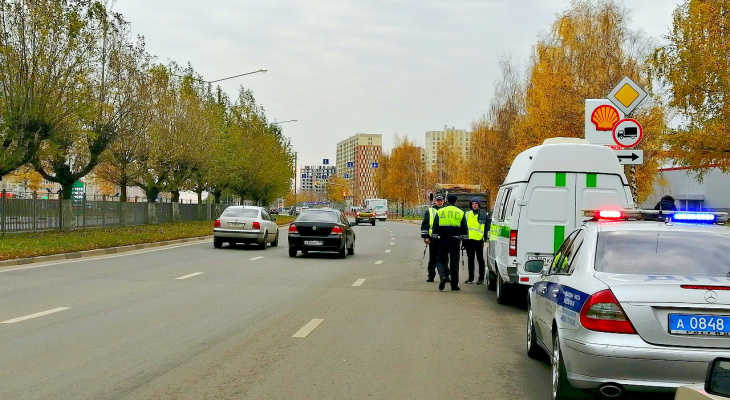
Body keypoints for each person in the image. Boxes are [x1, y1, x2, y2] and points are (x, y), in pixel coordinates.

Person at [432, 194, 468, 291]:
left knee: (441, 260)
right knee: (454, 263)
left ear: (446, 201)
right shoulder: (460, 212)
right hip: (455, 240)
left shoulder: (440, 211)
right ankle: (454, 285)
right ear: (456, 201)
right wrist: (464, 241)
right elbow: (464, 228)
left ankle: (443, 276)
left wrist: (434, 239)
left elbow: (435, 227)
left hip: (442, 240)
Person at [420, 195, 445, 282]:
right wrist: (426, 237)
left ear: (443, 201)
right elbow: (425, 224)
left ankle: (445, 276)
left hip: (443, 238)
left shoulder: (445, 211)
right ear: (435, 201)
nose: (439, 202)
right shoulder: (430, 211)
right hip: (433, 238)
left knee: (444, 258)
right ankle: (431, 275)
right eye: (438, 200)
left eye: (441, 200)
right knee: (433, 258)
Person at [463, 197, 488, 285]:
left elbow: (487, 225)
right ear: (471, 205)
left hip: (478, 239)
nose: (474, 205)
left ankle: (481, 278)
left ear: (479, 205)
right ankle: (471, 278)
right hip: (469, 240)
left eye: (476, 204)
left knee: (480, 259)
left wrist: (485, 236)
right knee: (470, 259)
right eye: (473, 204)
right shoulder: (467, 214)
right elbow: (464, 226)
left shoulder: (483, 214)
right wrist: (464, 239)